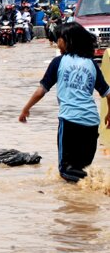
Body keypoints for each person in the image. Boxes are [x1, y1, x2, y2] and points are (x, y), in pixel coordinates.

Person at [19, 22, 110, 182]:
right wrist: (109, 114)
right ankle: (82, 203)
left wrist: (26, 109)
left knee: (65, 170)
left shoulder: (58, 62)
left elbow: (41, 91)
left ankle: (98, 185)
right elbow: (108, 94)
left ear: (68, 41)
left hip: (70, 121)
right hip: (91, 123)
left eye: (59, 39)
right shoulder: (92, 64)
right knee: (82, 168)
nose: (57, 42)